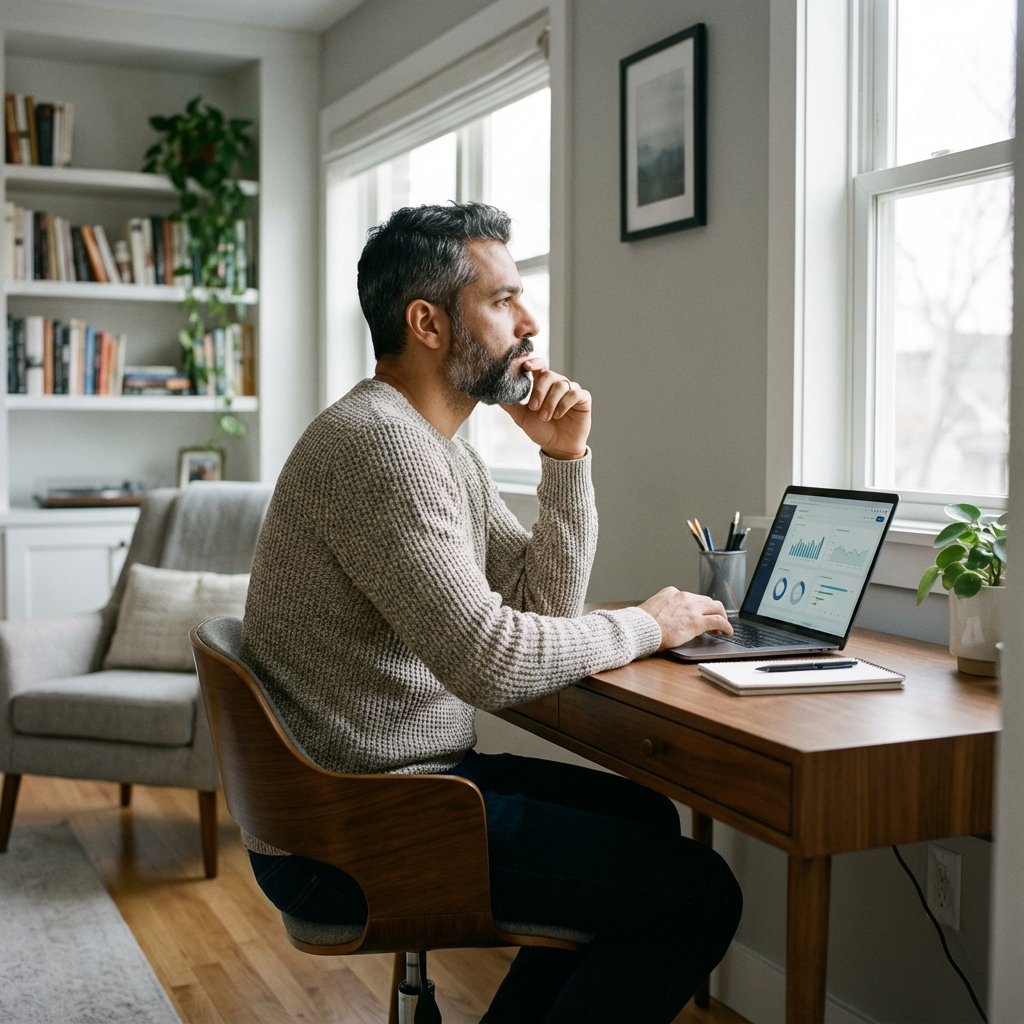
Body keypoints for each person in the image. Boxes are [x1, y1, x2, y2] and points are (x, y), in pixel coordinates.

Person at [240, 202, 742, 1023]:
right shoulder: (380, 447)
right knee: (697, 894)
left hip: (394, 786)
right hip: (352, 822)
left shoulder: (437, 446)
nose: (530, 322)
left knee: (646, 815)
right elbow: (492, 661)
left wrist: (564, 458)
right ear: (428, 323)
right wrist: (652, 624)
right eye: (505, 300)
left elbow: (540, 606)